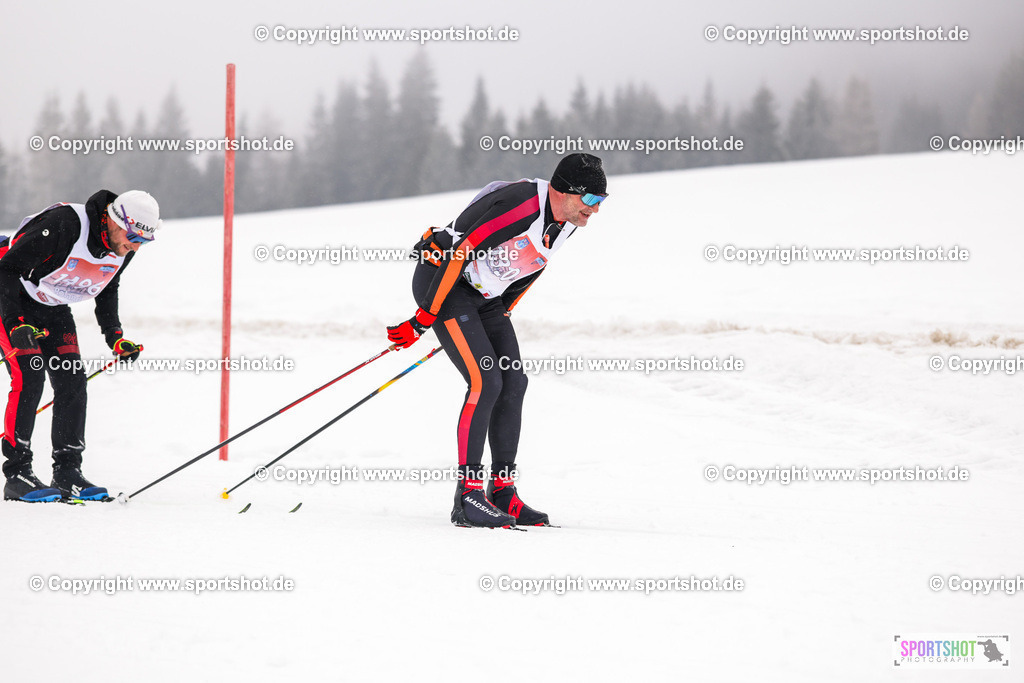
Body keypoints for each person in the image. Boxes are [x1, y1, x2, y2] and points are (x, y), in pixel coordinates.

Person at [387, 153, 607, 527]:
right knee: (485, 380)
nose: (595, 211)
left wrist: (502, 310)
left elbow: (533, 264)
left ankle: (501, 491)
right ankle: (468, 497)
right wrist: (423, 319)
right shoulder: (521, 206)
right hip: (443, 281)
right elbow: (459, 254)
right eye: (590, 200)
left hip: (484, 297)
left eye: (601, 203)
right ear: (565, 191)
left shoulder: (566, 222)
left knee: (513, 382)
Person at [0, 190, 159, 502]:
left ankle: (68, 472)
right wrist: (16, 322)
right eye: (132, 237)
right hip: (11, 297)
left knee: (72, 381)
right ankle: (18, 474)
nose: (135, 246)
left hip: (54, 305)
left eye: (143, 241)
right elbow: (5, 269)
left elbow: (107, 285)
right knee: (30, 377)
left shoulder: (124, 246)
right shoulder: (65, 225)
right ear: (114, 220)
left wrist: (115, 336)